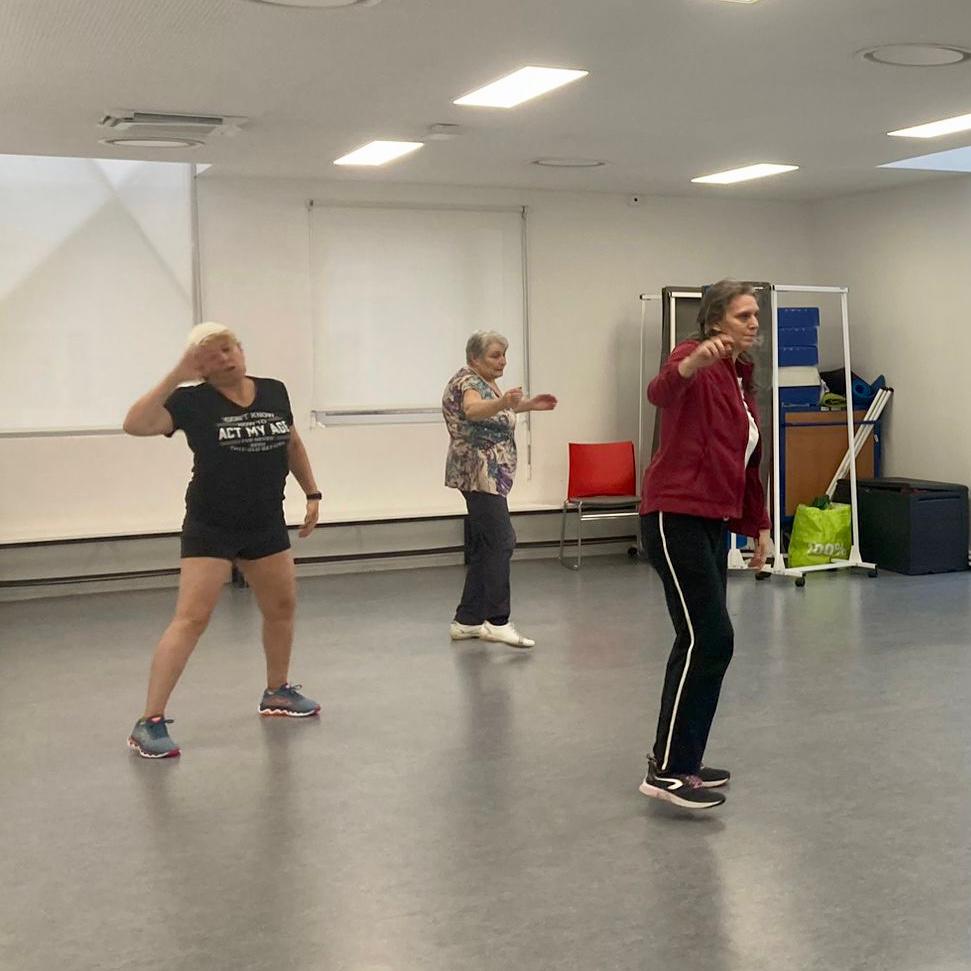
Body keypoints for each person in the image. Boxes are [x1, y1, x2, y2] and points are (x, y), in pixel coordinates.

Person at [123, 322, 322, 758]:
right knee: (191, 619)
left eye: (229, 348)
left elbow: (291, 443)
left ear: (241, 349)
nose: (226, 358)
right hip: (212, 525)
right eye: (212, 355)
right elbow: (134, 424)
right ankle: (148, 722)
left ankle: (277, 691)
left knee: (282, 607)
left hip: (265, 521)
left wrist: (312, 492)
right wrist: (177, 374)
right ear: (200, 366)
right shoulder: (191, 401)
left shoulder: (274, 390)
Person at [638, 280, 771, 809]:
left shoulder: (740, 377)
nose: (754, 323)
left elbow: (747, 462)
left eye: (756, 314)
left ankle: (679, 761)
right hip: (675, 516)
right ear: (716, 321)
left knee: (699, 640)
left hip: (712, 520)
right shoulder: (692, 354)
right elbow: (660, 391)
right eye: (743, 315)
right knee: (710, 638)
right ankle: (669, 771)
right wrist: (691, 366)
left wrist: (760, 526)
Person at [442, 330, 557, 648]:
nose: (503, 361)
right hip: (478, 473)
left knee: (487, 545)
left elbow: (491, 412)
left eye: (504, 354)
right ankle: (497, 621)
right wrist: (504, 401)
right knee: (502, 541)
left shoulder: (482, 381)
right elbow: (473, 410)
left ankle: (467, 620)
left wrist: (527, 405)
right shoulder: (468, 382)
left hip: (488, 474)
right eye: (495, 355)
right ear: (474, 358)